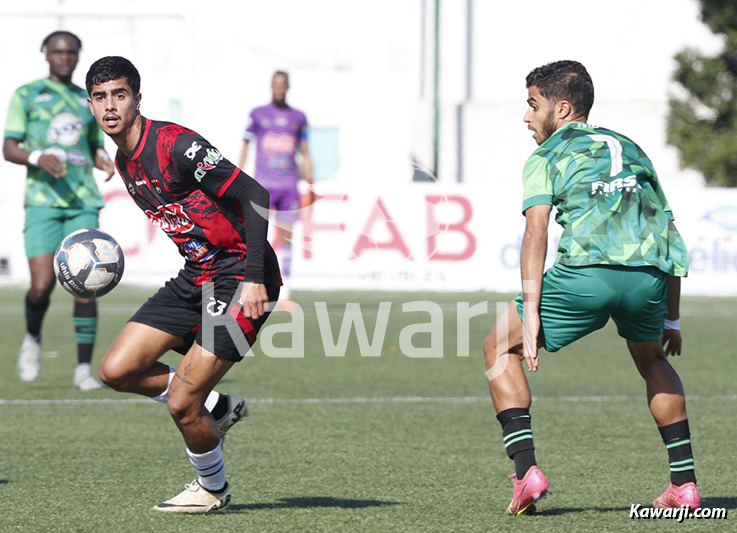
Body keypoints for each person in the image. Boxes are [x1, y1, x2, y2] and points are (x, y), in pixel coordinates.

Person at [483, 60, 696, 515]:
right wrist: (673, 317)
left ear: (561, 109)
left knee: (498, 348)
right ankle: (685, 485)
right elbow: (668, 230)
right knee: (652, 360)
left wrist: (532, 311)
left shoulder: (545, 156)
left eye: (533, 104)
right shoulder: (630, 147)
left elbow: (536, 231)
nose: (526, 116)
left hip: (587, 276)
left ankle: (526, 472)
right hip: (647, 279)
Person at [85, 56, 282, 512]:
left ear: (137, 99)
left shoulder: (177, 146)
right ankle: (218, 407)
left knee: (181, 401)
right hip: (197, 276)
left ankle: (213, 488)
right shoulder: (124, 160)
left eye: (119, 95)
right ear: (91, 105)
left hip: (240, 274)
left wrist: (254, 279)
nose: (110, 106)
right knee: (116, 369)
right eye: (100, 97)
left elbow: (255, 194)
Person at [3, 31, 115, 390]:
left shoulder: (87, 99)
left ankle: (83, 369)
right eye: (58, 51)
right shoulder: (27, 94)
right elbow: (9, 147)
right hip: (42, 201)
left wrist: (103, 158)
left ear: (78, 56)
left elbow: (94, 145)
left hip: (82, 201)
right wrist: (38, 157)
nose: (65, 57)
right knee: (41, 286)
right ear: (46, 54)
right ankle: (32, 338)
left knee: (87, 283)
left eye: (71, 52)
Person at [238, 70, 312, 307]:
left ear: (288, 87)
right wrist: (236, 176)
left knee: (287, 238)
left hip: (289, 185)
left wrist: (311, 183)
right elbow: (245, 146)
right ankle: (248, 283)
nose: (279, 88)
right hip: (263, 185)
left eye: (283, 84)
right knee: (254, 236)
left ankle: (285, 291)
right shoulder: (258, 114)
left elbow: (305, 152)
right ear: (271, 86)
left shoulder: (298, 117)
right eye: (276, 84)